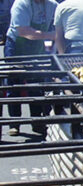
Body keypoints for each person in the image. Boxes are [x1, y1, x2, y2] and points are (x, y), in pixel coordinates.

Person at [4, 0, 58, 136]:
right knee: (14, 86)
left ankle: (36, 123)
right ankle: (15, 124)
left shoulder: (52, 5)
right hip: (17, 46)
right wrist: (52, 35)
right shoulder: (21, 4)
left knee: (36, 86)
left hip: (36, 48)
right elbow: (24, 31)